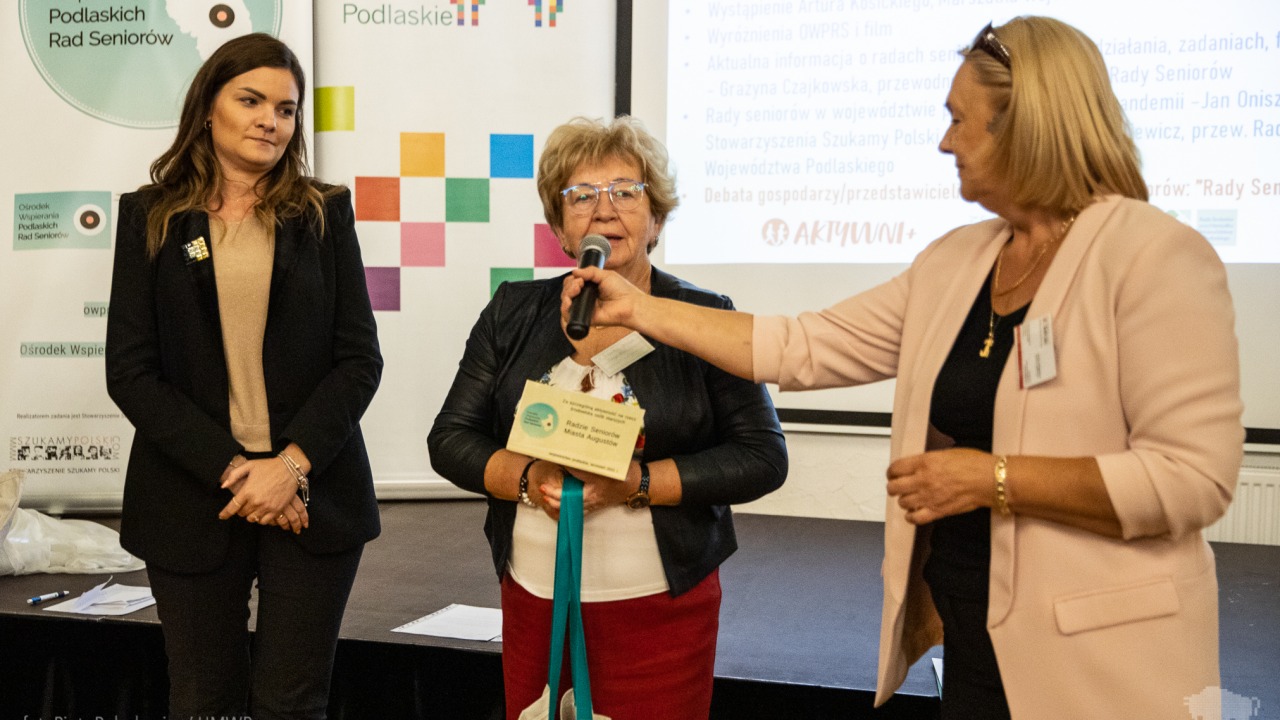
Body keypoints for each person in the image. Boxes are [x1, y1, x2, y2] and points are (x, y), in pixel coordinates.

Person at [563, 17, 1243, 720]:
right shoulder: (959, 260)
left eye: (959, 120)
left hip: (1106, 663)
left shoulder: (1154, 256)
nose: (945, 142)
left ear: (1024, 125)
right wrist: (639, 308)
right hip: (977, 635)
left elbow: (1192, 478)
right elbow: (803, 345)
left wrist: (992, 478)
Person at [429, 116, 788, 720]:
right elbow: (450, 438)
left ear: (657, 219)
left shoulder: (705, 315)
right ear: (558, 227)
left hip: (659, 611)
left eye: (626, 191)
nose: (604, 209)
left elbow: (762, 457)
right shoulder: (512, 312)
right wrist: (529, 477)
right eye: (581, 195)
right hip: (535, 602)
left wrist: (638, 483)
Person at [105, 33, 383, 720]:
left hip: (313, 490)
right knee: (204, 701)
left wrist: (288, 467)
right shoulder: (150, 216)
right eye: (251, 101)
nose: (270, 121)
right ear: (208, 108)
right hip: (190, 493)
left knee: (292, 703)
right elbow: (131, 371)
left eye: (286, 110)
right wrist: (239, 472)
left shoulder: (323, 211)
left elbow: (359, 360)